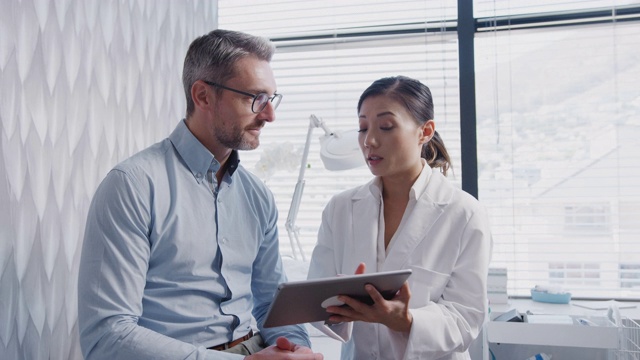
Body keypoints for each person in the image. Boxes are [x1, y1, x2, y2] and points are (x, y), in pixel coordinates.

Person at [78, 29, 323, 360]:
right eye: (255, 98)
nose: (269, 115)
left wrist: (299, 348)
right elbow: (107, 336)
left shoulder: (258, 197)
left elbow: (271, 306)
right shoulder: (132, 186)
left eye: (271, 99)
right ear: (203, 96)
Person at [306, 76, 492, 360]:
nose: (369, 140)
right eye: (363, 127)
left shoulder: (464, 213)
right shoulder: (340, 208)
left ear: (425, 131)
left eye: (386, 126)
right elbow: (318, 302)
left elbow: (466, 319)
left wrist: (405, 321)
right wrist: (338, 307)